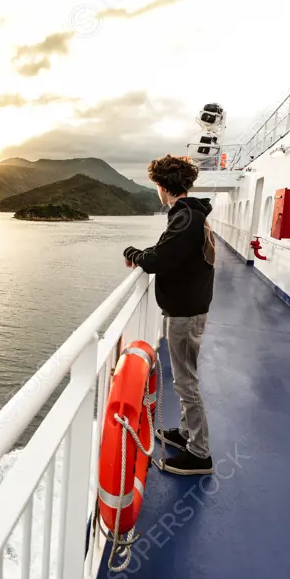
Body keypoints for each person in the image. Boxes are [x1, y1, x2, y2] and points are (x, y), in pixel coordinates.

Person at [123, 155, 215, 475]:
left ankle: (200, 453)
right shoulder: (190, 214)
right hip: (187, 307)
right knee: (182, 377)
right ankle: (186, 434)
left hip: (186, 312)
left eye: (156, 188)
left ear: (163, 188)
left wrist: (133, 254)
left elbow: (159, 258)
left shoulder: (186, 218)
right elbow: (172, 253)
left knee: (186, 382)